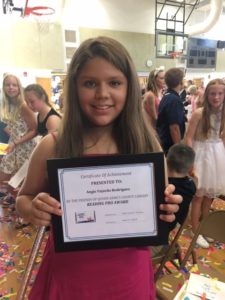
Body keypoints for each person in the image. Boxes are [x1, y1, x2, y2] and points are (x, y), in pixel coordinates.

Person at [16, 36, 182, 300]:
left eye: (114, 83)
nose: (102, 94)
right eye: (90, 83)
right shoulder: (53, 145)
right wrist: (33, 208)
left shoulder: (146, 146)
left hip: (128, 278)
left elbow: (158, 212)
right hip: (70, 278)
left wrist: (167, 209)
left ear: (129, 88)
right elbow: (22, 199)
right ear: (75, 87)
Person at [185, 78, 225, 248]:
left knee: (210, 196)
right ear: (207, 94)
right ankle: (195, 230)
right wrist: (190, 161)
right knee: (198, 196)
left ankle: (204, 227)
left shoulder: (224, 113)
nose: (216, 97)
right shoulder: (199, 113)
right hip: (201, 154)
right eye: (213, 93)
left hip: (217, 154)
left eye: (220, 93)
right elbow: (188, 137)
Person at [151, 143, 196, 257]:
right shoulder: (191, 186)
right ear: (191, 168)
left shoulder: (159, 185)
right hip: (166, 233)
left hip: (154, 243)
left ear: (166, 160)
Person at [0, 74, 37, 182]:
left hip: (24, 146)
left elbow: (34, 130)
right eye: (8, 85)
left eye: (14, 85)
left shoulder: (23, 105)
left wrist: (16, 142)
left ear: (19, 87)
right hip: (11, 145)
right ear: (3, 87)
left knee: (20, 181)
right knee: (7, 179)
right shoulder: (6, 105)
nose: (11, 87)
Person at [156, 68, 186, 154]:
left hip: (164, 140)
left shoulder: (167, 96)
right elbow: (174, 127)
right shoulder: (174, 100)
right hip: (170, 144)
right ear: (180, 82)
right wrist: (178, 149)